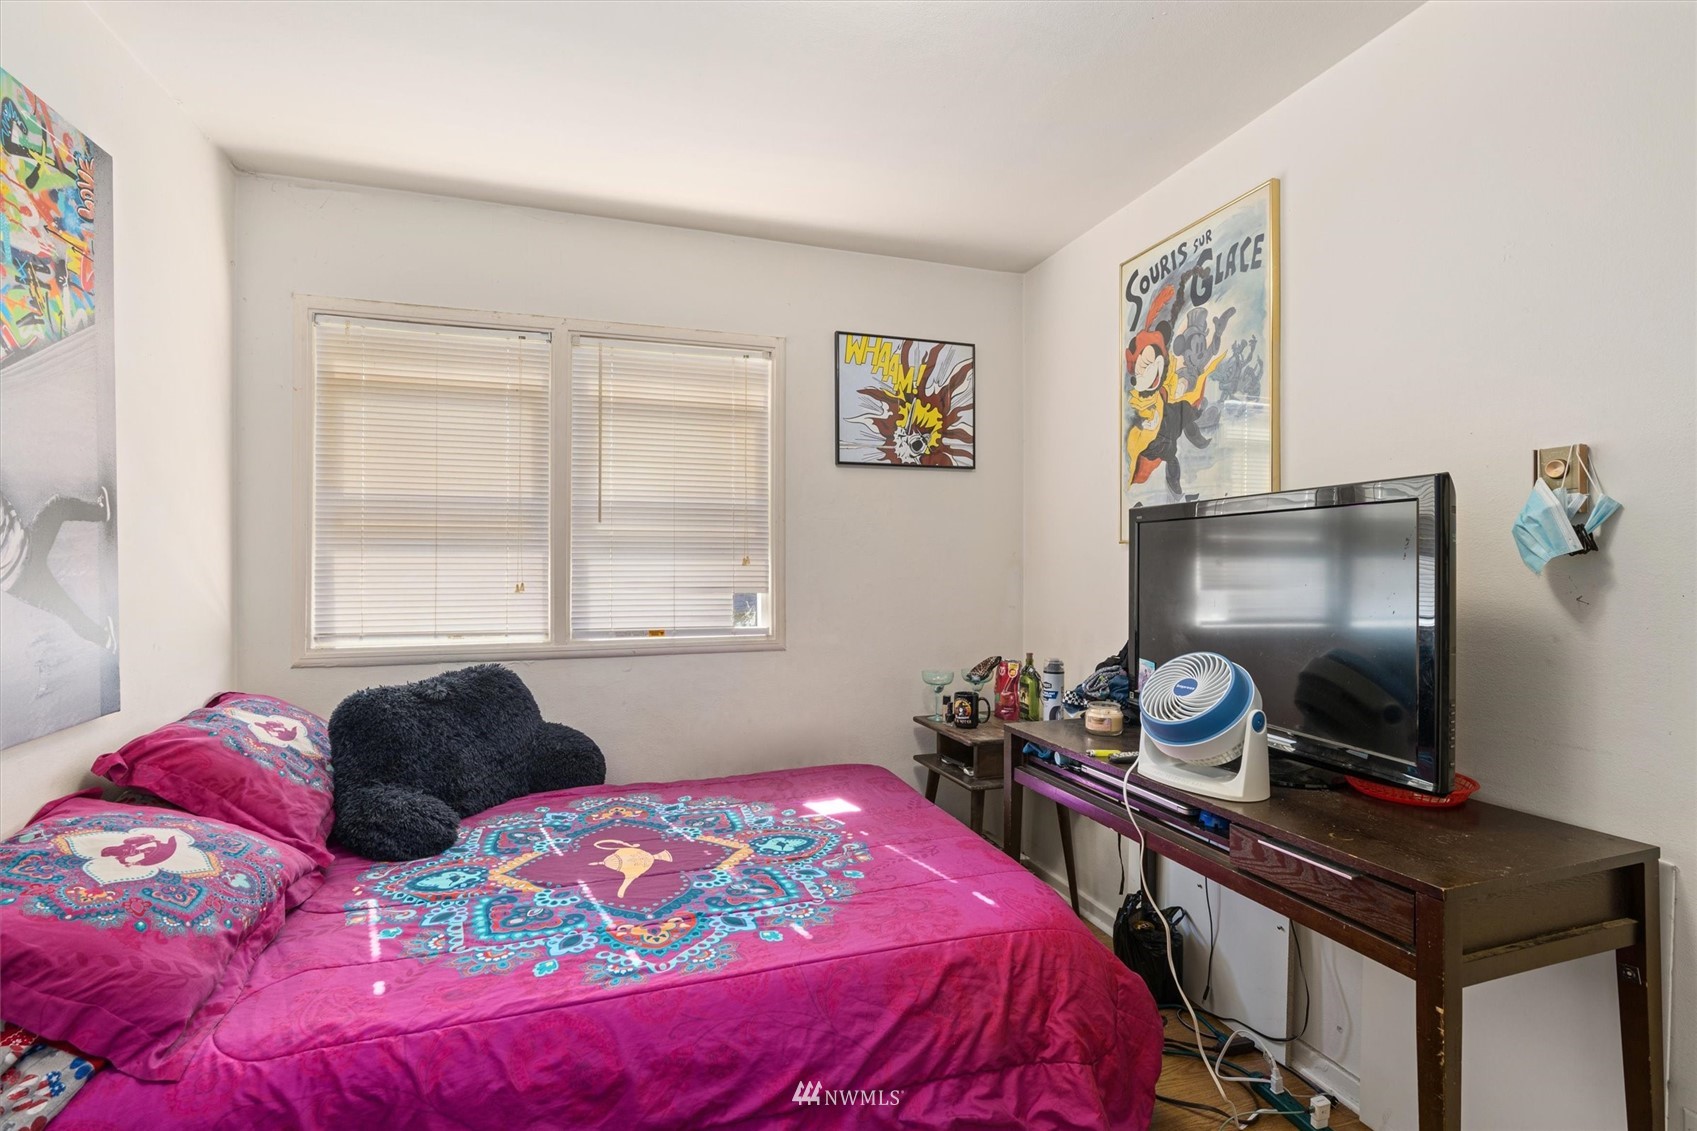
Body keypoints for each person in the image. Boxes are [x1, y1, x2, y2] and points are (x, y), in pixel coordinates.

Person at [0, 486, 114, 651]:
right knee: (58, 506)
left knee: (66, 609)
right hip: (28, 550)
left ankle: (105, 640)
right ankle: (101, 512)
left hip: (16, 584)